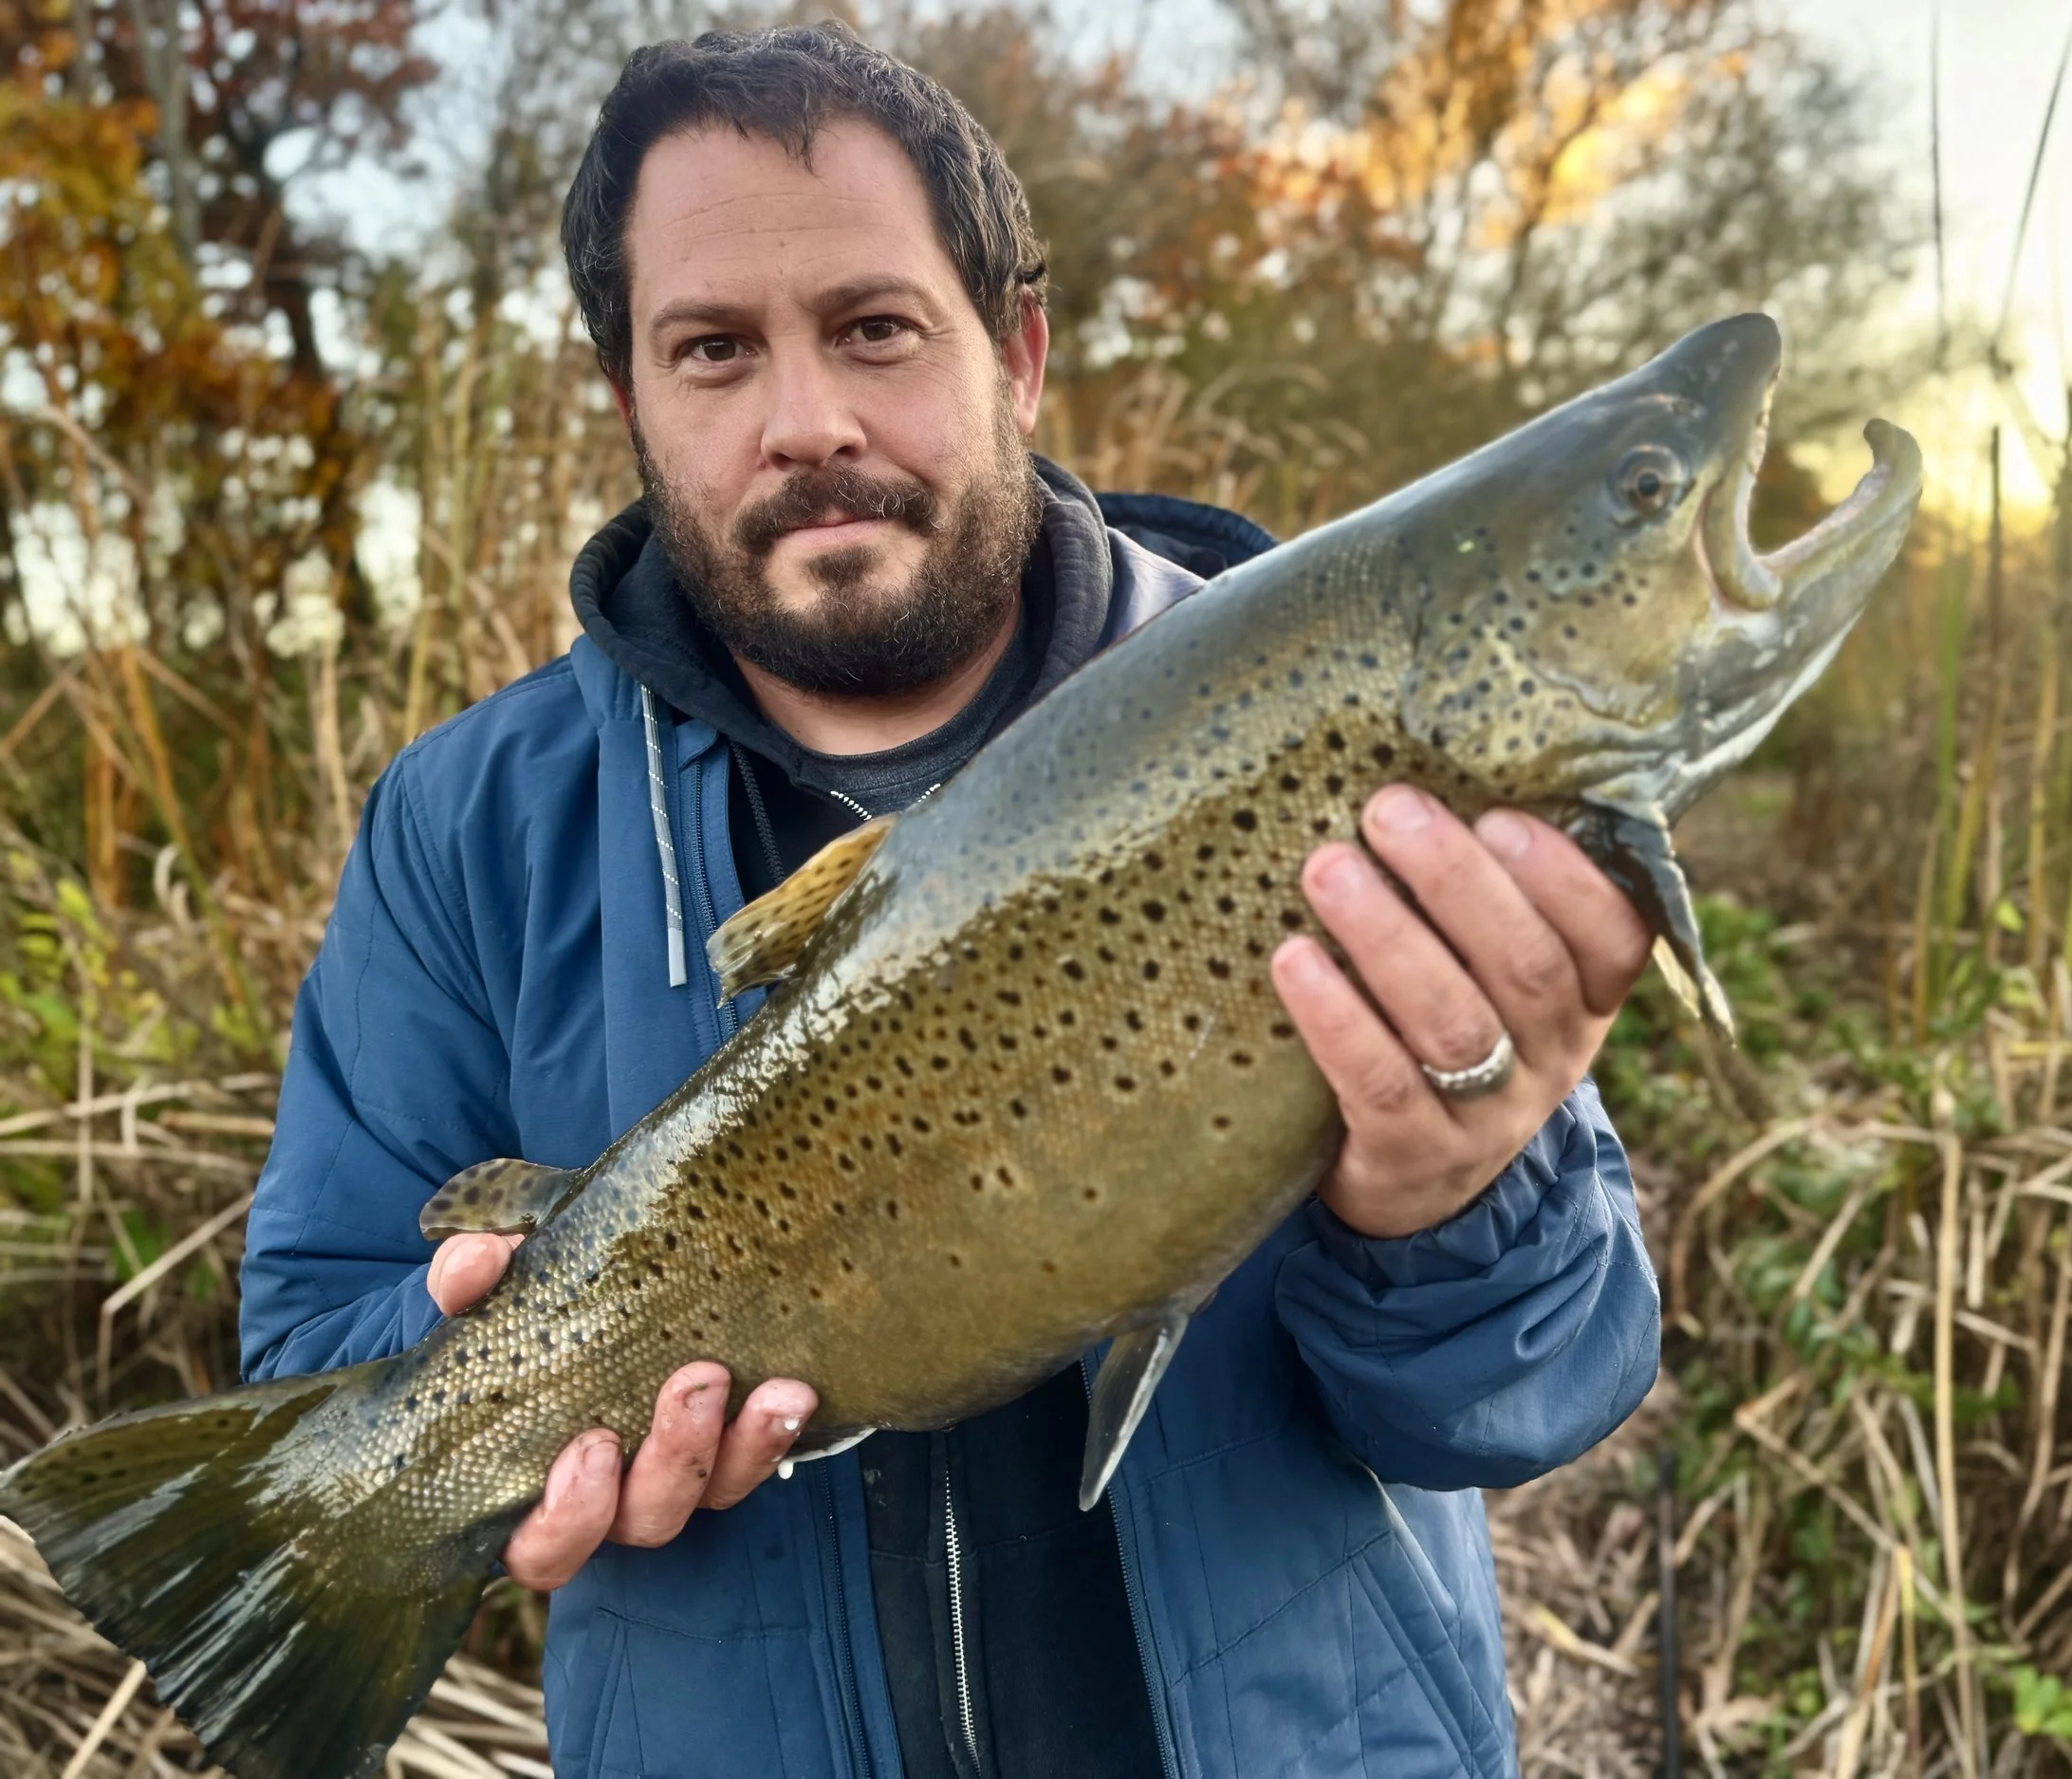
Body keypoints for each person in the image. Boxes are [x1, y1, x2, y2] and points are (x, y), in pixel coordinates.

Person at [238, 23, 1661, 1779]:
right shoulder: (465, 827)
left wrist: (1446, 1201)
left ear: (1022, 350)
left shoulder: (1334, 706)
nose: (806, 418)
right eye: (711, 351)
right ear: (631, 403)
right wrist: (503, 1383)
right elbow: (313, 1345)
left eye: (874, 327)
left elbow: (1540, 1386)